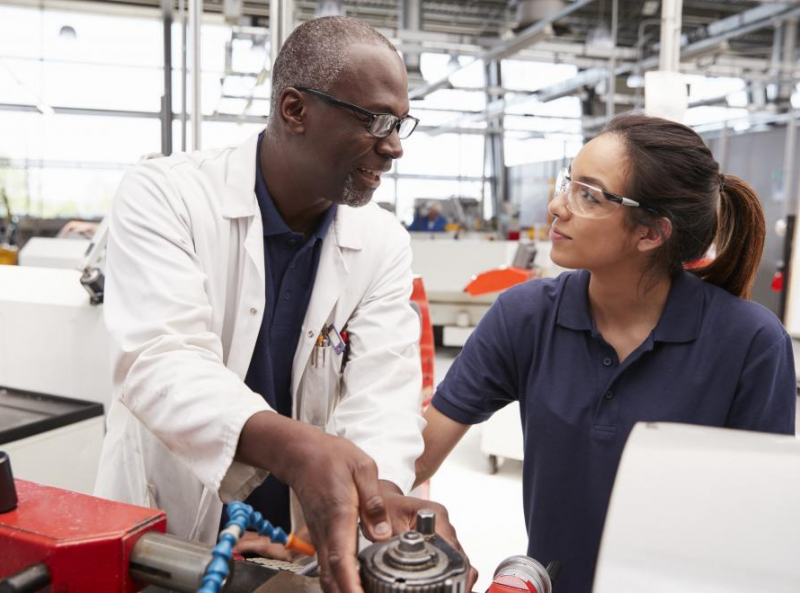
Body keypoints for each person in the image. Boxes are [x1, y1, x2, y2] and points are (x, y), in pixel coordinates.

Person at [94, 16, 459, 593]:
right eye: (377, 121)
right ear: (295, 110)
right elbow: (159, 359)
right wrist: (297, 450)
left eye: (402, 123)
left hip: (297, 539)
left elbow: (384, 396)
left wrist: (377, 497)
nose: (394, 147)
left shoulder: (382, 242)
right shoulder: (167, 195)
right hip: (172, 517)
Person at [415, 114, 797, 593]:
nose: (557, 205)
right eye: (567, 183)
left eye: (588, 195)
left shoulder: (751, 344)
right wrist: (395, 503)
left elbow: (760, 527)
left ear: (651, 234)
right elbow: (419, 453)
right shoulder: (526, 317)